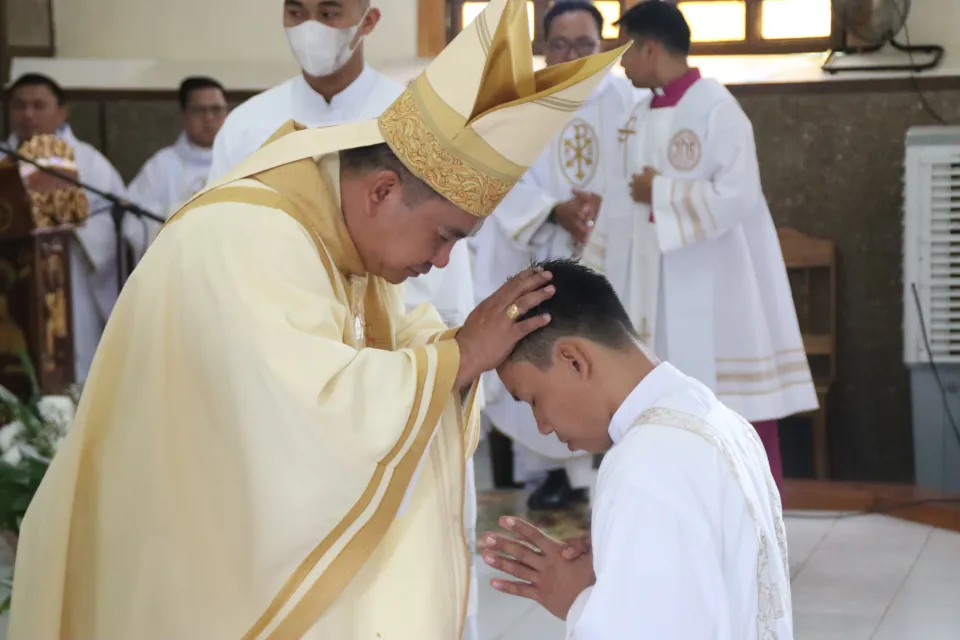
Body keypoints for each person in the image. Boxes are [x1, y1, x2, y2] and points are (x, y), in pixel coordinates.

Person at [7, 1, 626, 638]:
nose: (441, 261)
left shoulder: (334, 235)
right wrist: (460, 354)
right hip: (181, 564)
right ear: (383, 191)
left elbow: (389, 340)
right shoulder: (247, 237)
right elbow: (308, 413)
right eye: (443, 236)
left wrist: (456, 348)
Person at [481, 258, 792, 639]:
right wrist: (616, 564)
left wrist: (578, 600)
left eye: (532, 400)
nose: (543, 426)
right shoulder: (716, 418)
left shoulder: (644, 462)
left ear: (573, 360)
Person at [582, 0, 817, 489]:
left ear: (649, 47)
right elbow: (621, 206)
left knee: (732, 412)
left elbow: (738, 196)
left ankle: (750, 524)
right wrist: (592, 275)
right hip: (650, 297)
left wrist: (662, 193)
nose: (620, 66)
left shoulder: (716, 109)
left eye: (625, 52)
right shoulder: (637, 116)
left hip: (716, 293)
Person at [473, 0, 640, 510]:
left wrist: (602, 206)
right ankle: (547, 474)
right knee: (544, 352)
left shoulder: (626, 98)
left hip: (611, 246)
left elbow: (641, 167)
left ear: (601, 45)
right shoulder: (519, 104)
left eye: (585, 45)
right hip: (542, 245)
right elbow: (499, 176)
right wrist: (552, 210)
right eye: (562, 45)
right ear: (543, 48)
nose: (573, 54)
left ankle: (618, 463)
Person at [2, 73, 130, 382]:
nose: (27, 114)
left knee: (72, 371)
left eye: (38, 105)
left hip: (69, 283)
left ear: (62, 111)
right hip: (7, 287)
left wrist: (74, 223)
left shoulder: (88, 162)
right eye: (19, 105)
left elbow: (118, 220)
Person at [207, 0, 401, 182]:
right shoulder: (245, 124)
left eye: (328, 14)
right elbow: (216, 213)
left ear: (367, 22)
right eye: (296, 13)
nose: (309, 28)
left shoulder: (407, 115)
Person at [126, 76, 229, 259]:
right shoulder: (160, 166)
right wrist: (175, 214)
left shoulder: (242, 160)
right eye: (199, 110)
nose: (209, 118)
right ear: (184, 114)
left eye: (216, 110)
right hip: (176, 269)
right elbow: (132, 223)